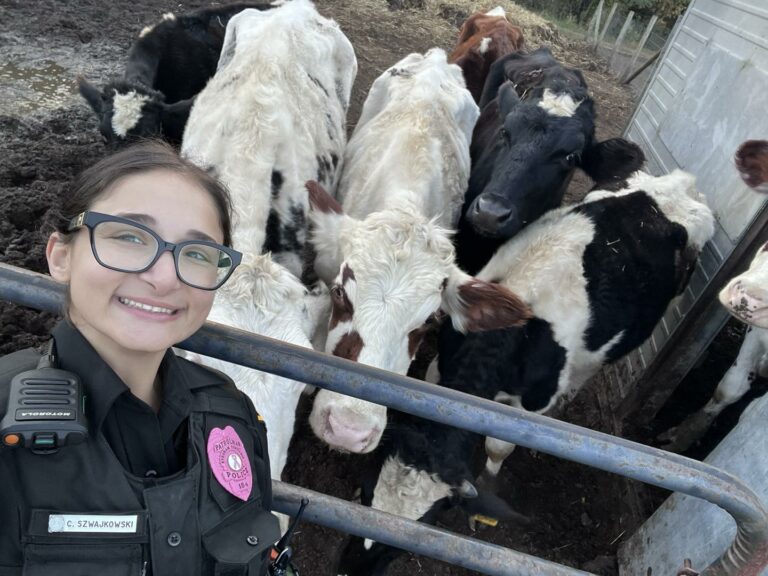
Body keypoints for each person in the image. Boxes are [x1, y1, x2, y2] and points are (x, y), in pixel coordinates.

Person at [0, 140, 280, 576]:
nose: (165, 277)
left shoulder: (233, 414)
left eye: (199, 253)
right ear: (60, 256)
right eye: (129, 236)